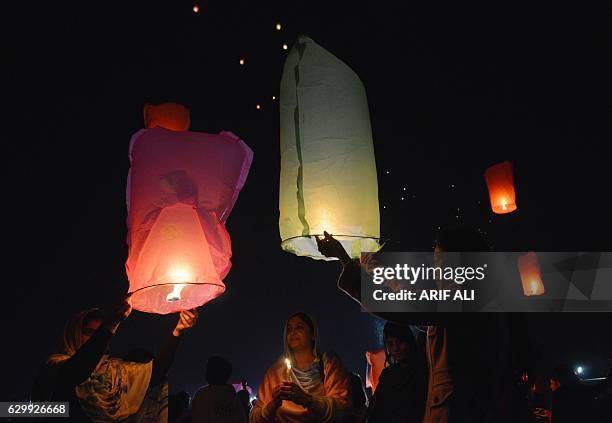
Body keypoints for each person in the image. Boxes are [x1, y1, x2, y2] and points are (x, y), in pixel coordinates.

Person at [317, 227, 521, 423]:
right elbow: (415, 302)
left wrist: (346, 260)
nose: (435, 267)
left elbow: (408, 305)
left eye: (440, 260)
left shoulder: (469, 303)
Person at [32, 293, 198, 422]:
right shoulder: (55, 365)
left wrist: (178, 332)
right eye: (89, 333)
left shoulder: (114, 372)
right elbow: (76, 371)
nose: (93, 339)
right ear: (73, 333)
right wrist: (110, 324)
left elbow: (154, 373)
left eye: (98, 334)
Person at [250, 312, 351, 422]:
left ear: (312, 335)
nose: (293, 332)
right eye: (289, 329)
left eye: (299, 327)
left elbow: (343, 410)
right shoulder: (275, 372)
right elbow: (255, 418)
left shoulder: (329, 365)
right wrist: (272, 405)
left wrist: (307, 400)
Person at [366, 322, 427, 423]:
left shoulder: (422, 371)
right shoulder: (387, 375)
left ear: (408, 341)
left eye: (399, 342)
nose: (396, 349)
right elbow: (376, 409)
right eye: (390, 344)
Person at [191, 356, 246, 423]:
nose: (205, 372)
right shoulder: (234, 397)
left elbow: (198, 418)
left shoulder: (203, 394)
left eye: (208, 369)